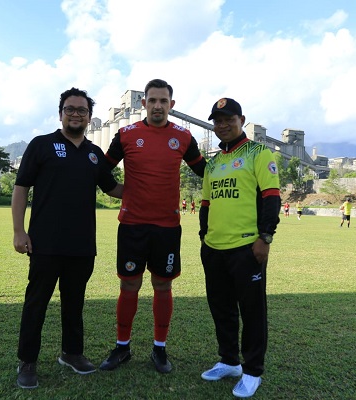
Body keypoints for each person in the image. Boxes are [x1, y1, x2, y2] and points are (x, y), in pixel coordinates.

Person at [12, 87, 123, 389]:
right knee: (37, 302)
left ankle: (72, 353)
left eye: (82, 110)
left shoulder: (93, 153)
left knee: (74, 302)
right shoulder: (42, 145)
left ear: (89, 116)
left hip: (82, 244)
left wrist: (152, 187)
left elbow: (113, 189)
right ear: (60, 113)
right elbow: (21, 187)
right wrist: (19, 231)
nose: (76, 114)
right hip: (45, 243)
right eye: (70, 109)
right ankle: (27, 361)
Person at [99, 79, 206, 374]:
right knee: (129, 284)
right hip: (132, 226)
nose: (157, 105)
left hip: (167, 228)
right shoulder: (126, 134)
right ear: (143, 103)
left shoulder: (183, 137)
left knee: (162, 285)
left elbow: (205, 172)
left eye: (163, 101)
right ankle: (122, 347)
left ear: (171, 105)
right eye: (152, 100)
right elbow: (101, 168)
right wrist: (118, 191)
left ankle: (159, 349)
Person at [199, 97, 280, 398]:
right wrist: (203, 238)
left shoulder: (259, 153)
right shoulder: (213, 162)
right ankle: (229, 360)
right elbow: (206, 204)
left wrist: (265, 237)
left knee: (252, 311)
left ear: (241, 120)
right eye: (217, 121)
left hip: (247, 247)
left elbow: (271, 198)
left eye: (228, 119)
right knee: (221, 309)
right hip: (214, 248)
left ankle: (252, 370)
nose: (222, 125)